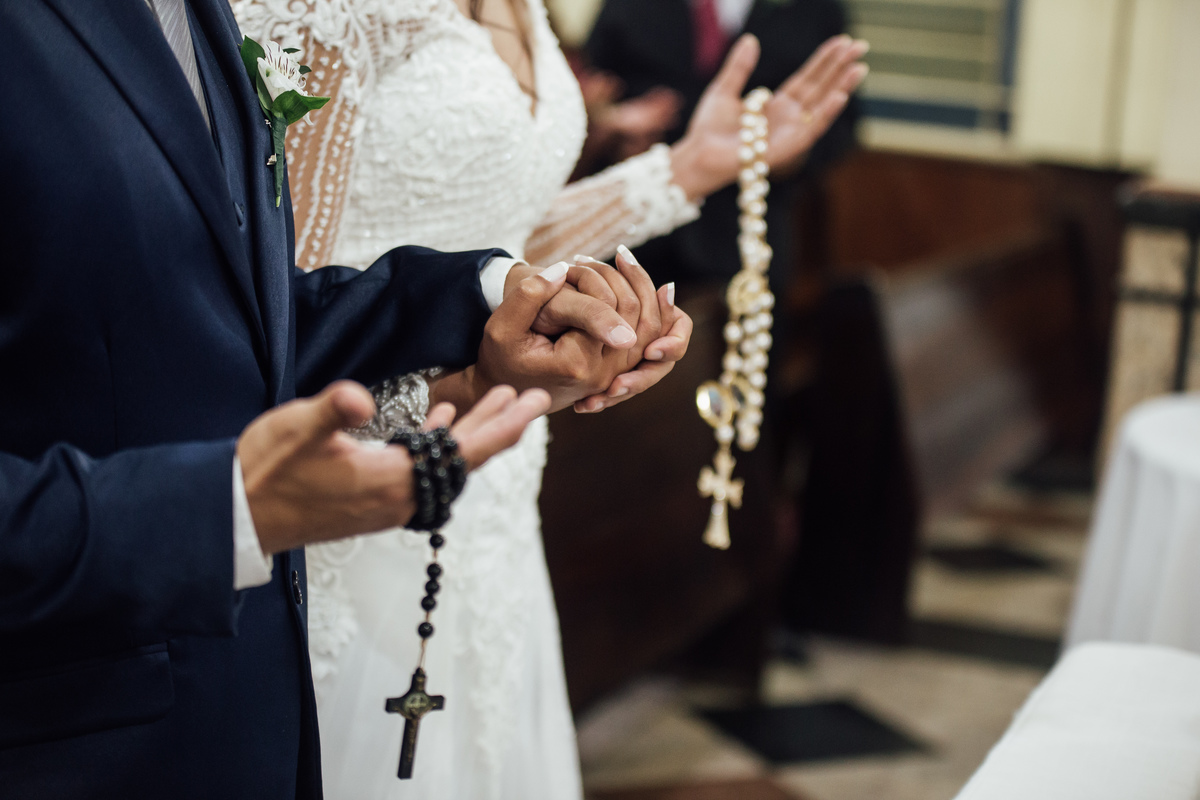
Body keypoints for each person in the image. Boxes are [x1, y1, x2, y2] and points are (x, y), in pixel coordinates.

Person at [0, 1, 689, 798]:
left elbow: (247, 309)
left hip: (243, 688)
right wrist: (227, 510)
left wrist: (501, 300)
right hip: (70, 718)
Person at [234, 1, 867, 797]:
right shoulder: (326, 11)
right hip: (358, 467)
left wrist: (688, 167)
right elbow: (275, 295)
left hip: (498, 471)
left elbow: (500, 230)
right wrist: (444, 389)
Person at [586, 0, 860, 294]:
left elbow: (843, 125)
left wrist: (790, 155)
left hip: (746, 236)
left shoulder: (816, 9)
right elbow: (596, 88)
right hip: (633, 236)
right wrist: (613, 128)